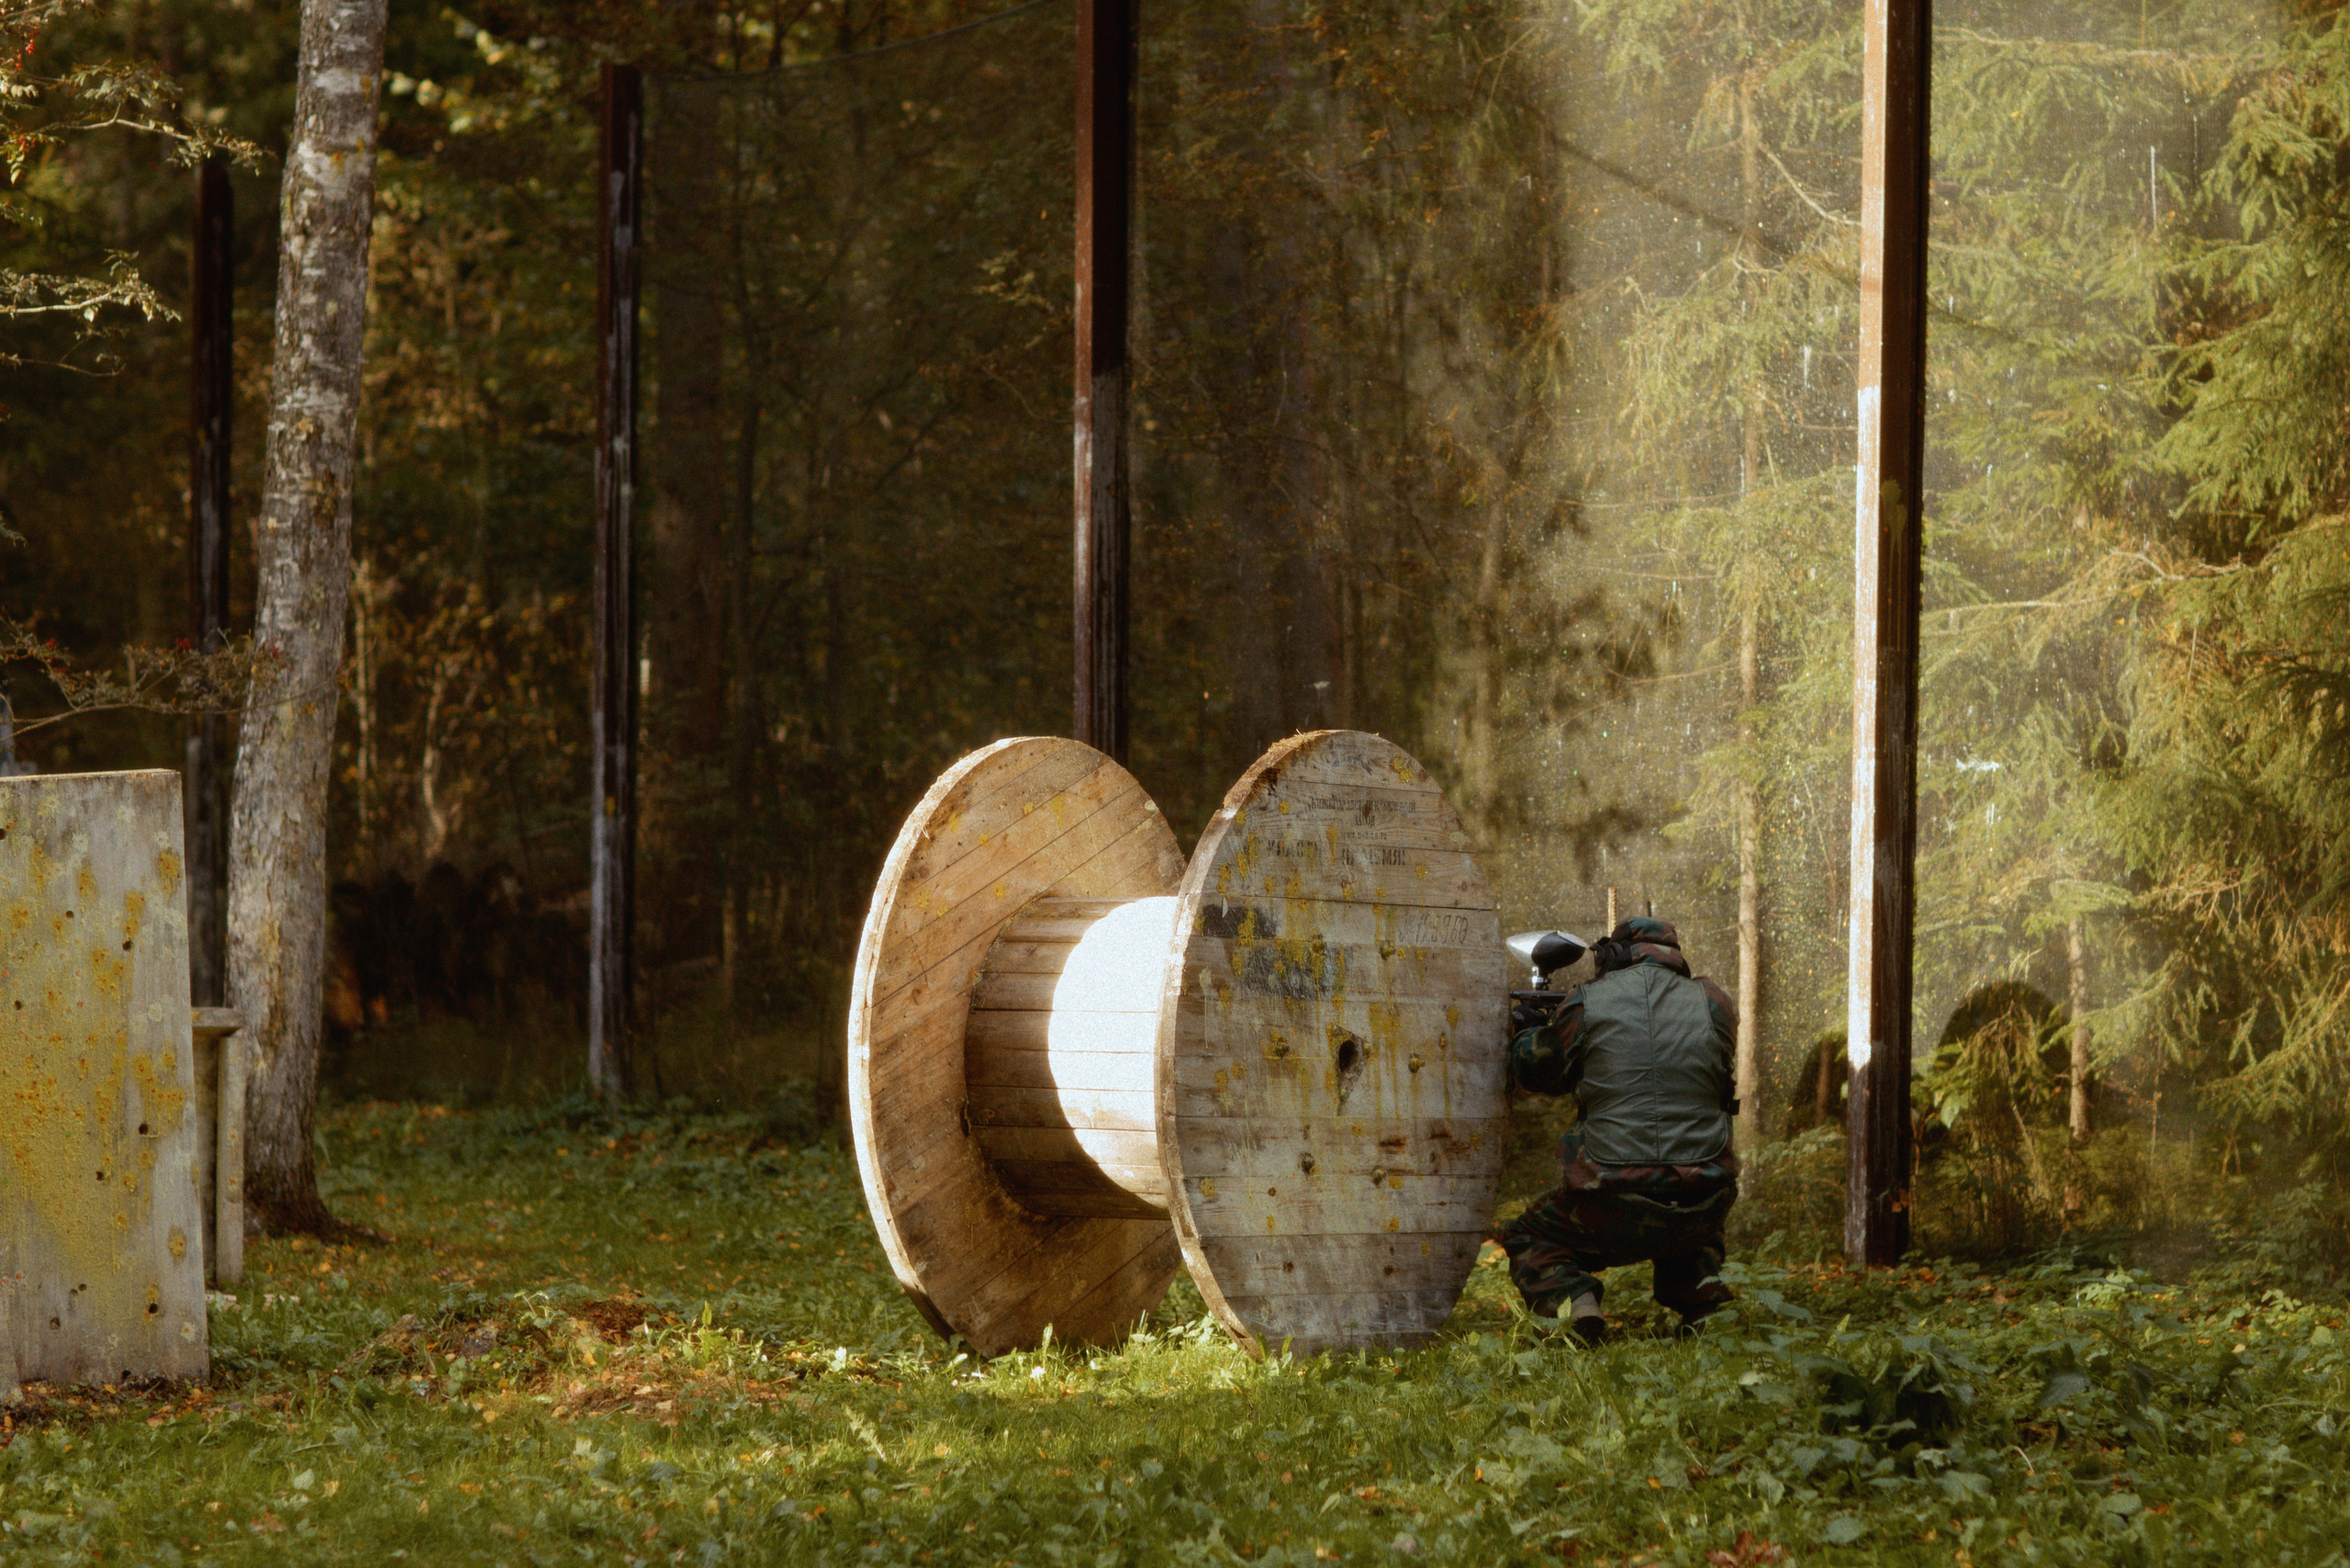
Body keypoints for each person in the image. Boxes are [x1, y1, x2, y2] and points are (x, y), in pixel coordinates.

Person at [1499, 916, 1739, 1345]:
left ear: (1612, 956)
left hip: (1611, 1204)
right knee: (1690, 1201)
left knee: (1527, 1234)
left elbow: (1539, 1075)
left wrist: (1530, 1030)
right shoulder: (1714, 1002)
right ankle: (1706, 1311)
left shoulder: (1588, 1001)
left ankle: (1576, 1307)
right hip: (1703, 1202)